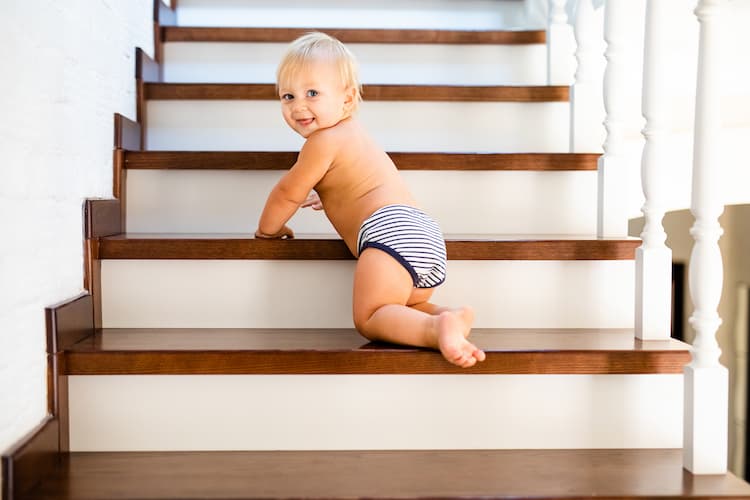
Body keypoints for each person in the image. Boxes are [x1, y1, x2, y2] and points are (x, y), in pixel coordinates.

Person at [255, 32, 485, 368]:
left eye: (312, 93)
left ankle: (437, 329)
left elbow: (287, 192)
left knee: (370, 316)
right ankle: (448, 316)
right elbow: (357, 184)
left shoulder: (321, 143)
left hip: (389, 232)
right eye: (287, 96)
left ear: (347, 100)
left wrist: (268, 231)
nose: (298, 105)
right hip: (423, 234)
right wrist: (332, 195)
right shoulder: (356, 135)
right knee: (402, 308)